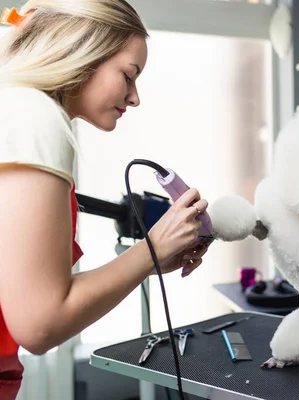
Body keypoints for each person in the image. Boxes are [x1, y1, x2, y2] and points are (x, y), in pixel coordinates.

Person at [0, 1, 210, 398]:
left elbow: (32, 296)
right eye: (129, 76)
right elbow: (40, 325)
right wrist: (151, 250)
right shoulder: (35, 116)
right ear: (81, 48)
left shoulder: (13, 107)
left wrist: (149, 262)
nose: (135, 98)